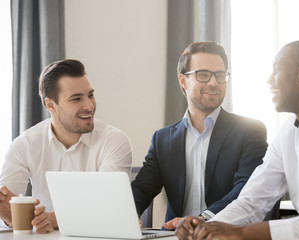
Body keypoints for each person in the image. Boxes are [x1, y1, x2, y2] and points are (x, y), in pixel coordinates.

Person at [175, 40, 299, 240]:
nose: (270, 80)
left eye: (277, 70)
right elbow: (252, 201)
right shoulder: (288, 132)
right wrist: (205, 228)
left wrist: (242, 232)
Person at [131, 41, 268, 230]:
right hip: (174, 236)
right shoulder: (162, 139)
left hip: (224, 234)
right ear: (182, 80)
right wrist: (128, 214)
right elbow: (142, 188)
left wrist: (201, 220)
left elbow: (246, 188)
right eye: (203, 75)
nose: (213, 82)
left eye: (220, 75)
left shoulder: (250, 131)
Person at [0, 59, 132, 233]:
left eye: (90, 95)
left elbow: (108, 206)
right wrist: (10, 216)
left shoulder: (114, 140)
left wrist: (54, 218)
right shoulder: (24, 145)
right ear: (50, 105)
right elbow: (5, 208)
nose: (89, 105)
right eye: (76, 99)